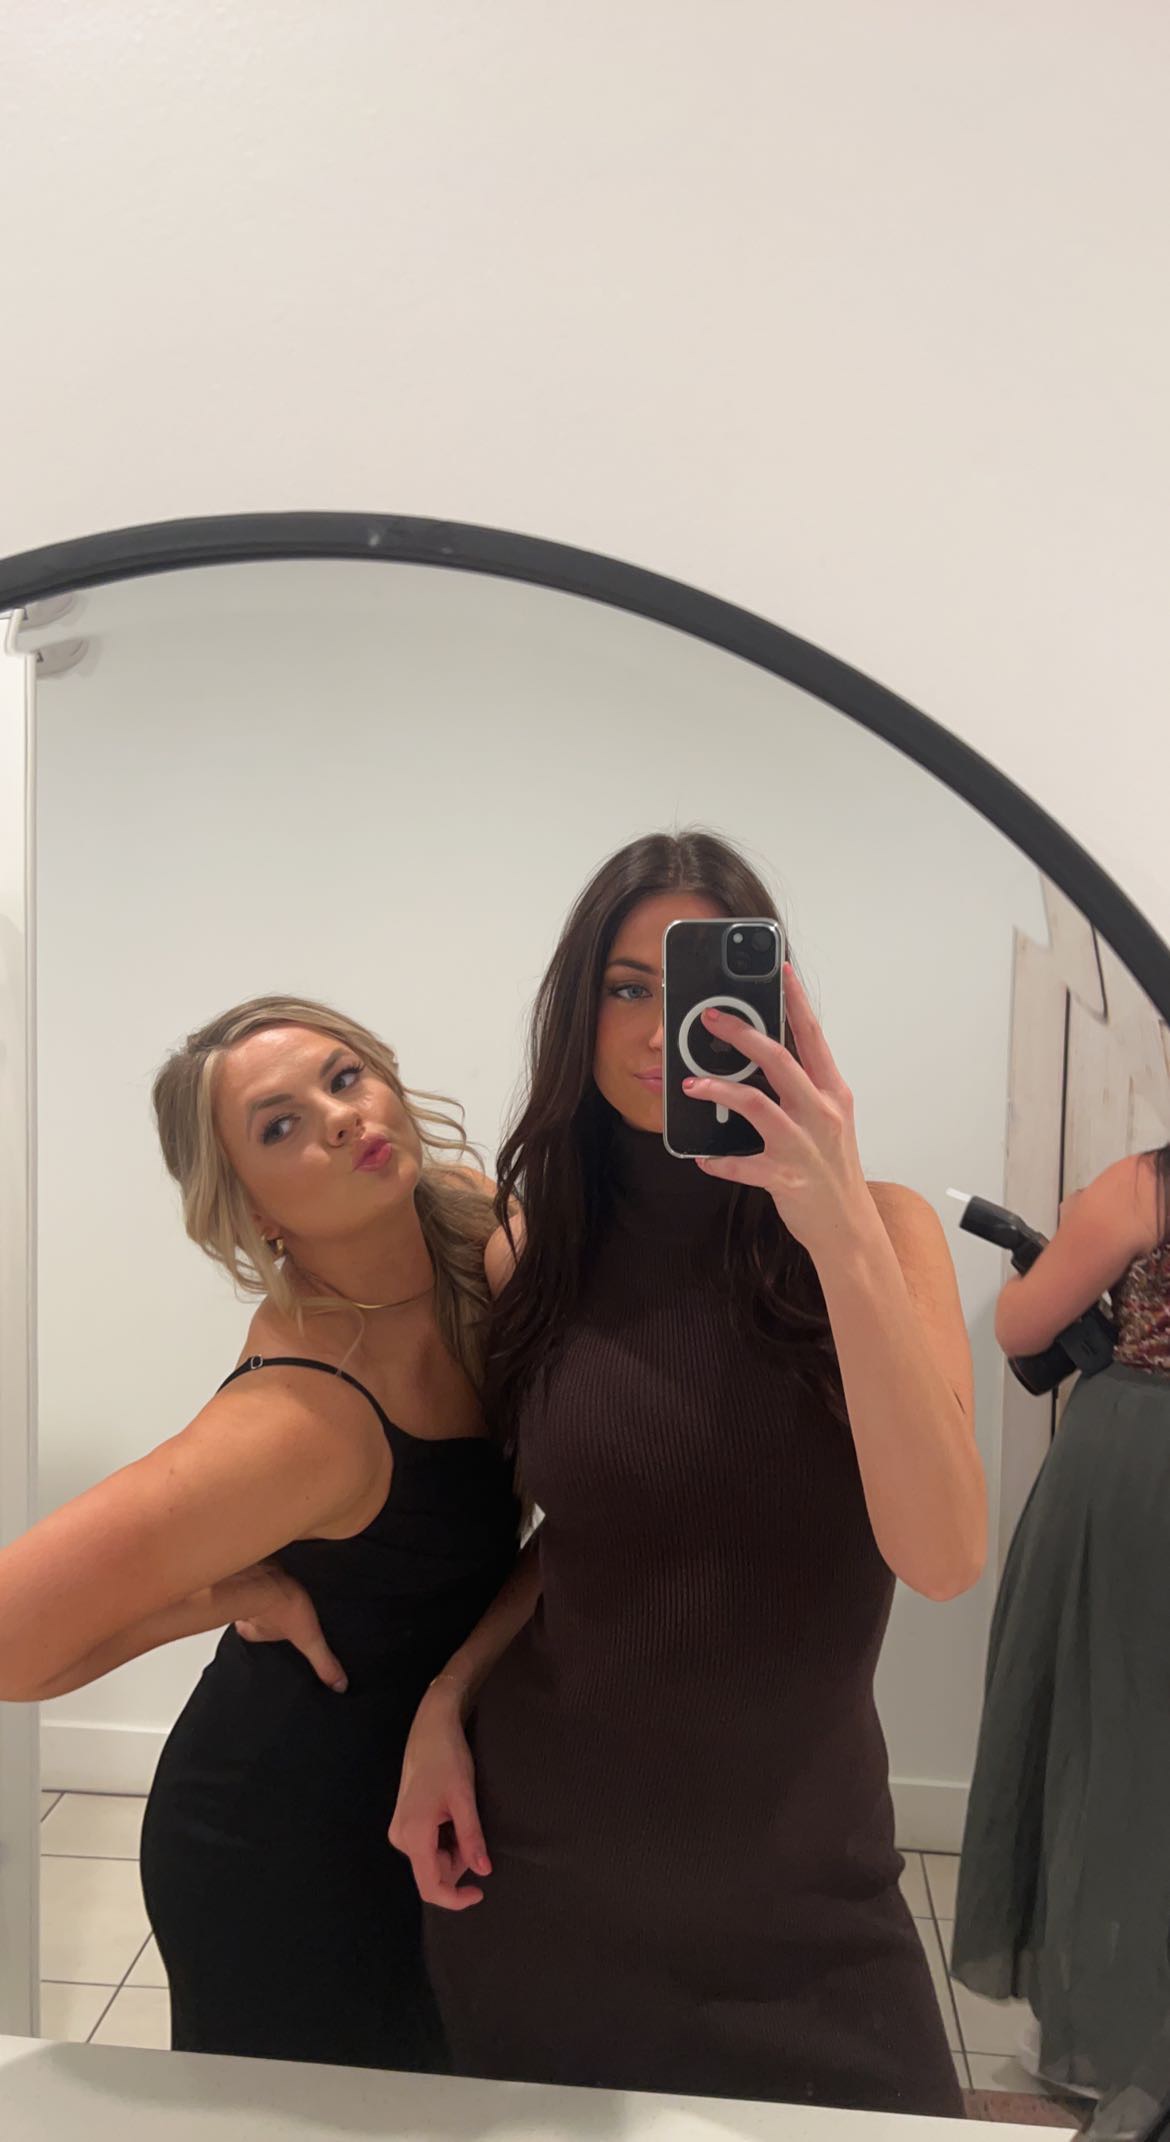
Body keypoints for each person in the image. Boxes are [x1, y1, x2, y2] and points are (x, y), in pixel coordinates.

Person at [390, 829, 985, 2114]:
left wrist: (830, 1219)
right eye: (627, 986)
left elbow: (942, 1556)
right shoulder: (531, 1251)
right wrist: (447, 1697)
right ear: (578, 1011)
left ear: (777, 1009)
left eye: (705, 985)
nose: (664, 1027)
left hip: (807, 1899)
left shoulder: (883, 1233)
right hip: (544, 1885)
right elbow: (583, 1536)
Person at [0, 995, 519, 2070]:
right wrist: (235, 1594)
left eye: (344, 1077)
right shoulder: (299, 1419)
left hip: (412, 1795)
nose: (340, 1117)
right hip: (277, 1842)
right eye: (280, 1126)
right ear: (252, 1208)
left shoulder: (469, 1224)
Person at [951, 1141, 1170, 2135]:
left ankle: (1104, 2030)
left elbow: (1023, 1325)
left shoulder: (1146, 1186)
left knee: (1107, 1735)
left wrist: (1058, 1255)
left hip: (1138, 1470)